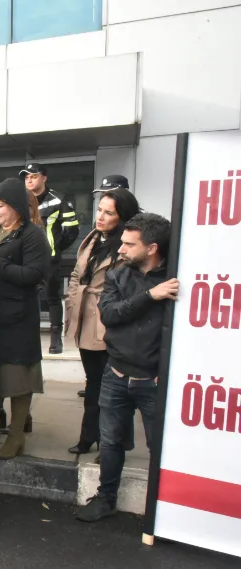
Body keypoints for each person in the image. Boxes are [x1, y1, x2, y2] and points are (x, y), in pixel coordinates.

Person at [77, 213, 176, 522]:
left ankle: (165, 508)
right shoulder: (119, 276)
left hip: (154, 380)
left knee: (159, 445)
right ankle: (106, 499)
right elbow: (110, 314)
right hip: (116, 373)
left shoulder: (173, 279)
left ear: (152, 248)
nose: (120, 249)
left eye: (129, 244)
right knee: (110, 442)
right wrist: (149, 297)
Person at [0, 178, 50, 460]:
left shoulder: (32, 235)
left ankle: (15, 436)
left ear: (16, 207)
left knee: (17, 379)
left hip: (16, 320)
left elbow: (32, 275)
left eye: (1, 206)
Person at [65, 189, 140, 456]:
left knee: (112, 389)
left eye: (109, 213)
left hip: (110, 323)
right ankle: (89, 437)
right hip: (86, 320)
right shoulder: (93, 237)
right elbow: (77, 273)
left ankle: (111, 444)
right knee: (93, 383)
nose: (100, 217)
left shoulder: (128, 244)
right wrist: (72, 299)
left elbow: (130, 286)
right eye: (99, 210)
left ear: (123, 217)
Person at [21, 163, 79, 354]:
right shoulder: (20, 201)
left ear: (44, 178)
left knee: (52, 298)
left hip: (50, 260)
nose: (29, 180)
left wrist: (56, 249)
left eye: (33, 176)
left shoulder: (58, 200)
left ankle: (56, 339)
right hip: (26, 258)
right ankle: (28, 335)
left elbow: (72, 230)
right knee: (28, 297)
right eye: (26, 177)